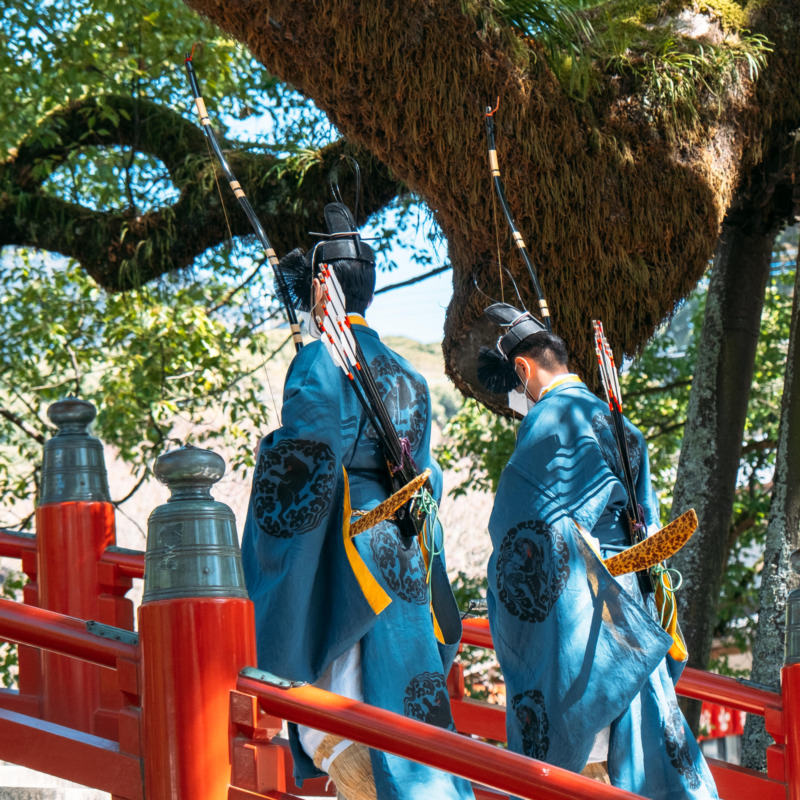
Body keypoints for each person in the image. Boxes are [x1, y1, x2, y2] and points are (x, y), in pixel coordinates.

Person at [241, 202, 473, 800]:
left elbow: (307, 465)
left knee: (351, 720)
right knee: (409, 717)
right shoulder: (410, 376)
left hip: (350, 567)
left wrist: (273, 453)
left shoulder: (319, 361)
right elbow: (423, 475)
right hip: (402, 557)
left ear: (323, 289)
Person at [477, 302, 719, 799]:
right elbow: (645, 529)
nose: (514, 402)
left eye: (512, 389)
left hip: (588, 628)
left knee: (590, 773)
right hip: (630, 613)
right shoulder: (617, 424)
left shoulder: (550, 426)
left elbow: (525, 542)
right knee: (649, 760)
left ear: (522, 369)